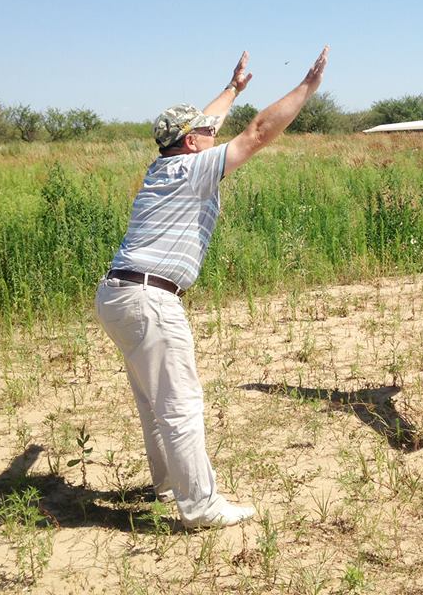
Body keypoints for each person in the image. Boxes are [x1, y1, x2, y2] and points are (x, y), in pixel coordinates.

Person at [95, 46, 329, 529]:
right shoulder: (193, 169)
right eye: (204, 131)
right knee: (180, 404)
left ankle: (168, 486)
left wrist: (234, 88)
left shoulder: (166, 164)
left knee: (154, 402)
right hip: (150, 299)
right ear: (190, 143)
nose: (212, 131)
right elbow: (258, 132)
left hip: (119, 294)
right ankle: (200, 506)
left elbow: (209, 123)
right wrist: (307, 87)